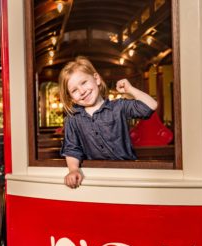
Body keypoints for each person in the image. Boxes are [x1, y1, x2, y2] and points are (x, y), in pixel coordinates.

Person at [59, 56, 158, 189]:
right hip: (95, 176)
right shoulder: (73, 118)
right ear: (71, 97)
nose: (82, 91)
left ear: (97, 79)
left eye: (84, 83)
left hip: (128, 174)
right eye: (74, 90)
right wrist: (73, 170)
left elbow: (151, 106)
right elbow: (72, 149)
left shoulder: (118, 107)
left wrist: (130, 89)